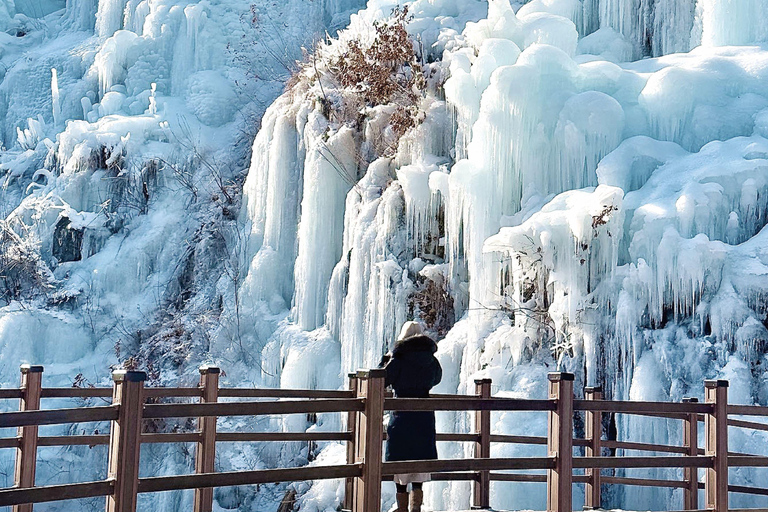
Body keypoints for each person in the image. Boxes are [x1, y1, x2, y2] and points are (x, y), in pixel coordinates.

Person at [382, 321, 442, 512]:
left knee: (401, 462)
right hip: (423, 416)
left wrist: (385, 360)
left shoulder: (398, 360)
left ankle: (402, 509)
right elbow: (437, 378)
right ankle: (416, 507)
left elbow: (381, 379)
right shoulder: (431, 361)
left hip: (402, 415)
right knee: (419, 460)